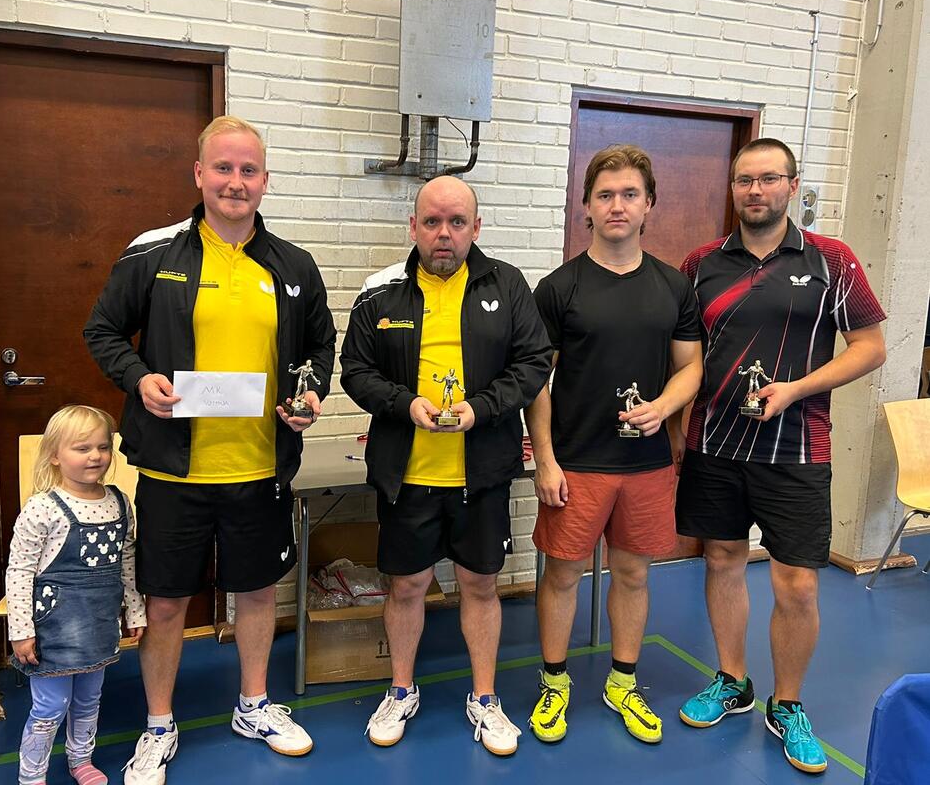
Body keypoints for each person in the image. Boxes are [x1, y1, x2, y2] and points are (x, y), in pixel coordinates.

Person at [84, 116, 336, 783]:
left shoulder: (293, 265)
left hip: (259, 467)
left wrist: (310, 395)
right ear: (199, 174)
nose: (235, 182)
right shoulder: (153, 252)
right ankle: (158, 724)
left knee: (255, 593)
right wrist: (139, 379)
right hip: (175, 471)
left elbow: (320, 347)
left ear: (265, 180)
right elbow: (102, 330)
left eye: (248, 170)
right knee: (166, 603)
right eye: (223, 168)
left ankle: (253, 705)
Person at [675, 138, 886, 773]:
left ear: (793, 186)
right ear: (732, 189)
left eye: (769, 179)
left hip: (797, 449)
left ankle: (787, 705)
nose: (755, 191)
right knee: (722, 561)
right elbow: (686, 356)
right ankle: (731, 681)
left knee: (797, 583)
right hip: (714, 444)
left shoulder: (832, 259)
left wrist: (796, 388)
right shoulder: (700, 264)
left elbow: (870, 347)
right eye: (744, 180)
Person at [341, 175, 552, 755]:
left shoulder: (507, 284)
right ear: (413, 226)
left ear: (475, 228)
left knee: (480, 584)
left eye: (457, 222)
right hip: (406, 475)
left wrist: (481, 408)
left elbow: (534, 363)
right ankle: (400, 689)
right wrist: (403, 404)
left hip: (480, 473)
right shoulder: (380, 291)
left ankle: (484, 698)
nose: (444, 234)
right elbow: (355, 370)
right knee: (407, 584)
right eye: (432, 222)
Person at [526, 145, 703, 745]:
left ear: (649, 204)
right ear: (587, 207)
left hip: (646, 464)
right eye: (605, 195)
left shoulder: (673, 286)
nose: (617, 205)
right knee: (562, 575)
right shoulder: (559, 287)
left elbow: (691, 367)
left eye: (630, 194)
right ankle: (554, 683)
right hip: (577, 463)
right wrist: (545, 460)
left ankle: (623, 683)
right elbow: (536, 381)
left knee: (632, 574)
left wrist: (665, 407)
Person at [5, 405, 147, 785]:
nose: (95, 456)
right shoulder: (42, 508)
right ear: (55, 455)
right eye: (82, 448)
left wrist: (135, 610)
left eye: (103, 447)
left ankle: (81, 759)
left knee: (88, 698)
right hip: (54, 629)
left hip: (98, 623)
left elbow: (127, 560)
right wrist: (21, 629)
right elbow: (19, 571)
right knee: (51, 705)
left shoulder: (119, 502)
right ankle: (31, 775)